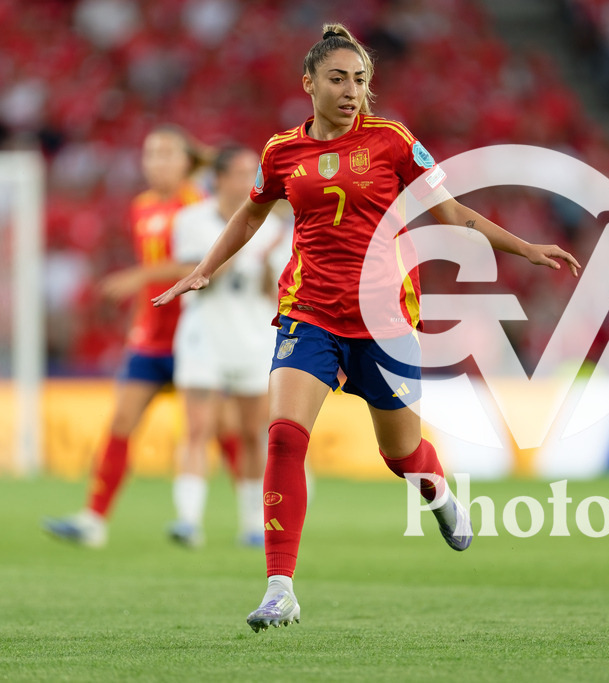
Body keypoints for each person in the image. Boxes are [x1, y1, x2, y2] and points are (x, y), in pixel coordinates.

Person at [153, 23, 581, 632]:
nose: (352, 90)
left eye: (360, 80)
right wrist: (203, 270)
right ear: (309, 84)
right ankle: (280, 587)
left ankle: (436, 490)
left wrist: (524, 248)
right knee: (283, 438)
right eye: (338, 79)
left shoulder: (392, 142)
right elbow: (250, 215)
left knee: (401, 454)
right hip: (308, 311)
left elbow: (451, 211)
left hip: (383, 320)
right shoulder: (280, 152)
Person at [43, 125, 206, 548]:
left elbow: (196, 266)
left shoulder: (201, 207)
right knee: (121, 421)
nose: (156, 162)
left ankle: (219, 520)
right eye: (150, 154)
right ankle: (93, 519)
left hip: (194, 335)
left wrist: (138, 276)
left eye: (167, 153)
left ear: (187, 162)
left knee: (217, 430)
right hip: (151, 337)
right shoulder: (142, 207)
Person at [168, 145, 290, 548]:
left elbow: (271, 292)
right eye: (240, 173)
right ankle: (188, 520)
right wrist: (238, 251)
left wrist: (271, 263)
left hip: (253, 338)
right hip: (204, 336)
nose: (249, 180)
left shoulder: (275, 228)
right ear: (219, 178)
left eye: (252, 172)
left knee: (254, 433)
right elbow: (198, 277)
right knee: (198, 427)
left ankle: (254, 523)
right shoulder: (192, 220)